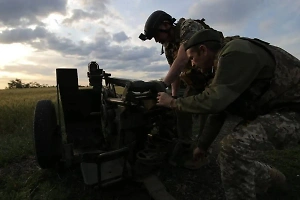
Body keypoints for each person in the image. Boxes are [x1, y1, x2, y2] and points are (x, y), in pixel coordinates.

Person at [156, 29, 300, 199]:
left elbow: (214, 101)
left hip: (293, 111)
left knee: (232, 148)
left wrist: (172, 102)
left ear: (203, 50)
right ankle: (272, 179)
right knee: (229, 156)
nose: (192, 64)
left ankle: (268, 180)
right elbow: (220, 110)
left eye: (192, 58)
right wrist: (202, 146)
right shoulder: (223, 65)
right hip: (281, 109)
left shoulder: (235, 52)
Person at [140, 11, 222, 167]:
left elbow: (182, 58)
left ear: (166, 25)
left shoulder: (188, 27)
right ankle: (185, 144)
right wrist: (173, 96)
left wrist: (162, 84)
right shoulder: (168, 46)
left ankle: (202, 152)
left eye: (156, 35)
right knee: (180, 108)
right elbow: (175, 71)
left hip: (213, 76)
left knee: (207, 112)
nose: (156, 40)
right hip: (196, 81)